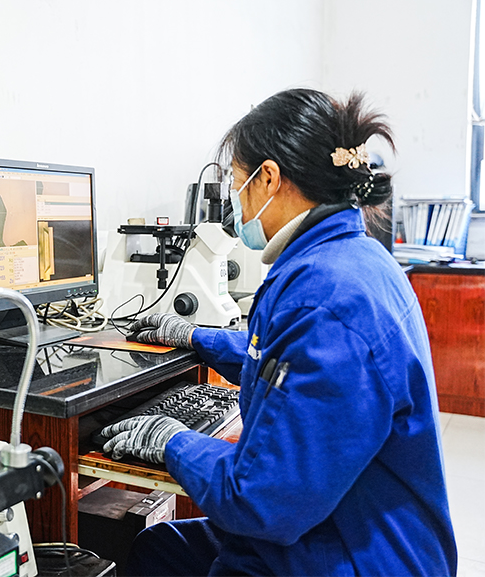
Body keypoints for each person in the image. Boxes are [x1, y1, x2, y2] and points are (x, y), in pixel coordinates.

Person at [102, 89, 457, 576]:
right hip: (336, 520)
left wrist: (173, 441)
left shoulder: (326, 299)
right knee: (158, 547)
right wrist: (196, 337)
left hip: (358, 555)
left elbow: (261, 501)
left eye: (236, 181)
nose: (235, 199)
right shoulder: (348, 259)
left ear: (268, 178)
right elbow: (282, 361)